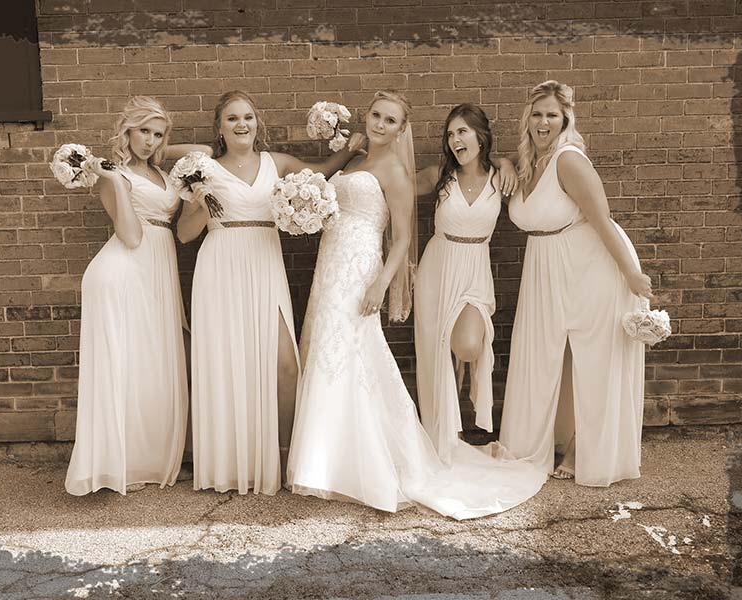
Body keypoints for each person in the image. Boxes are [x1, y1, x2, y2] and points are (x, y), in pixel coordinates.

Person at [288, 91, 547, 519]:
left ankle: (360, 462)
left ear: (401, 129)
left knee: (353, 353)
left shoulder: (395, 169)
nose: (380, 124)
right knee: (329, 352)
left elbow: (404, 236)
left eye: (391, 120)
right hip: (331, 264)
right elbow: (324, 183)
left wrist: (382, 282)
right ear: (366, 117)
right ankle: (327, 460)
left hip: (362, 269)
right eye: (376, 115)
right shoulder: (355, 161)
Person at [174, 90, 364, 495]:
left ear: (257, 122)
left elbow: (324, 170)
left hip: (265, 262)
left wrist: (352, 147)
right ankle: (231, 462)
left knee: (285, 366)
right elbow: (185, 234)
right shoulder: (204, 169)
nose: (242, 124)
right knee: (228, 364)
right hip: (220, 264)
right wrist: (200, 201)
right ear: (219, 128)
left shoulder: (275, 163)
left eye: (247, 117)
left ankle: (282, 457)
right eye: (231, 119)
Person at [499, 80, 654, 486]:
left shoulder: (569, 160)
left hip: (593, 267)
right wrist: (502, 164)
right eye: (537, 113)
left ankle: (583, 447)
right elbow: (512, 175)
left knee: (595, 358)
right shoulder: (530, 161)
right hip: (546, 269)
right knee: (542, 355)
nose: (543, 121)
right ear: (527, 119)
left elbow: (602, 220)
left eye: (552, 114)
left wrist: (631, 275)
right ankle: (534, 442)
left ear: (565, 119)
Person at [65, 96, 187, 495]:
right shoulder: (113, 177)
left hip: (155, 270)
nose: (150, 141)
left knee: (152, 364)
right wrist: (114, 178)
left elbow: (202, 152)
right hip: (121, 273)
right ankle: (118, 465)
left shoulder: (162, 173)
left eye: (158, 133)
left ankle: (146, 460)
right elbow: (131, 235)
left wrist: (161, 150)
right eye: (143, 131)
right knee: (125, 366)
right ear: (127, 131)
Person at [413, 103, 518, 461]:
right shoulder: (440, 175)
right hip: (438, 267)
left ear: (480, 136)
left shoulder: (500, 177)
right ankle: (446, 435)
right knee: (435, 350)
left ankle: (456, 415)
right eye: (450, 133)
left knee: (468, 345)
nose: (455, 139)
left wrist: (506, 163)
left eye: (462, 131)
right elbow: (394, 186)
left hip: (475, 267)